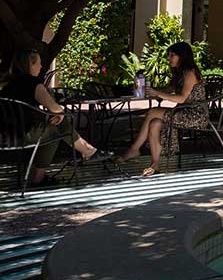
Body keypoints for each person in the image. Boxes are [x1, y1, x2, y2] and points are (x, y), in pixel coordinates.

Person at [0, 48, 109, 186]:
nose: (40, 66)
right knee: (58, 128)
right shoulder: (34, 85)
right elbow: (55, 108)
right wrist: (60, 114)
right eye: (38, 63)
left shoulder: (8, 85)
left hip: (6, 136)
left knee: (55, 126)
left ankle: (87, 150)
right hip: (24, 135)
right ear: (30, 64)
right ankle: (87, 151)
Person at [120, 42, 208, 176]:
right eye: (169, 55)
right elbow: (168, 89)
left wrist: (158, 93)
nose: (169, 58)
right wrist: (150, 91)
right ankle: (154, 165)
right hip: (183, 112)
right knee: (155, 123)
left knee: (153, 112)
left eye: (172, 55)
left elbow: (181, 98)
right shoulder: (180, 73)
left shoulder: (190, 73)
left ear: (182, 56)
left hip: (195, 114)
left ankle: (134, 149)